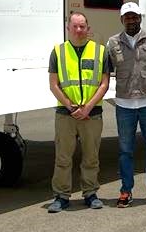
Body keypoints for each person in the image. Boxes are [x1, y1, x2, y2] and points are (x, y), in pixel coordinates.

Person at [47, 11, 111, 213]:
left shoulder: (100, 51)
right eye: (75, 26)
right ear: (68, 29)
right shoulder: (58, 52)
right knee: (63, 157)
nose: (79, 30)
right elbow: (54, 84)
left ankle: (90, 193)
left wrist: (88, 107)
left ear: (88, 29)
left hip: (92, 113)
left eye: (82, 26)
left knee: (91, 157)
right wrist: (71, 106)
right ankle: (61, 195)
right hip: (66, 114)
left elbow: (104, 83)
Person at [107, 2, 146, 208]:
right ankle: (126, 191)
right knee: (125, 150)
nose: (131, 20)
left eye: (134, 16)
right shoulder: (112, 43)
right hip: (124, 104)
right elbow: (105, 72)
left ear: (140, 18)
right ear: (122, 20)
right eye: (127, 17)